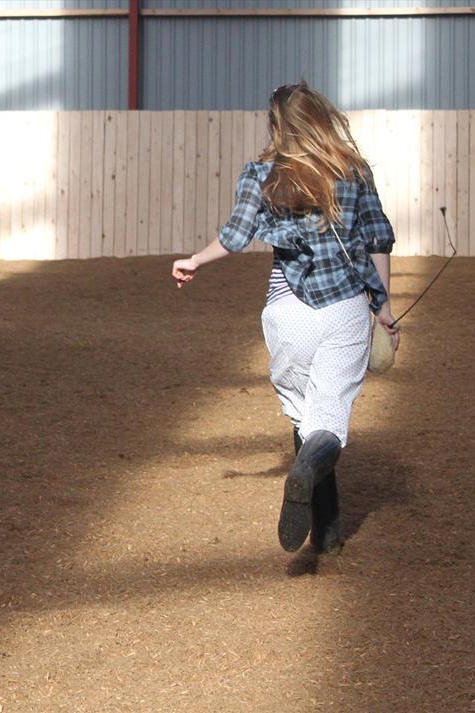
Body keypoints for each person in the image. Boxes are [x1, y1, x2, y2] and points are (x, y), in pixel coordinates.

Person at [170, 82, 400, 554]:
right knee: (328, 421)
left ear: (277, 126)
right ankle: (314, 491)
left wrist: (194, 260)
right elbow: (378, 239)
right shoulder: (353, 171)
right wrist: (385, 307)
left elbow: (235, 237)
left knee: (303, 415)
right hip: (344, 308)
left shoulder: (261, 173)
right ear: (321, 119)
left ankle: (327, 532)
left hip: (287, 310)